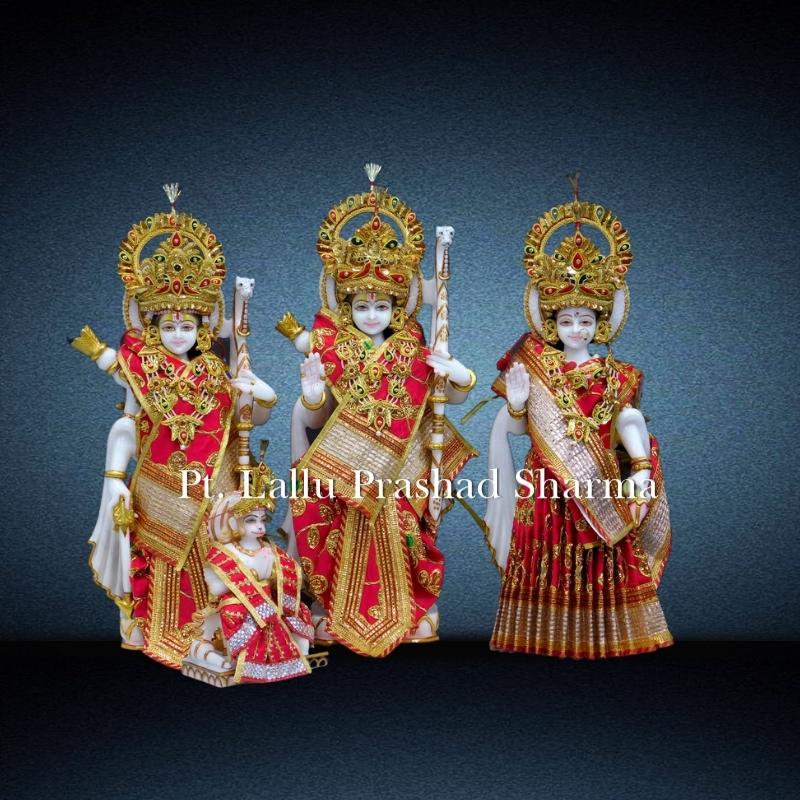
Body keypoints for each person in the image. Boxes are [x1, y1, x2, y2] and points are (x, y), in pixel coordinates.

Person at [72, 189, 277, 670]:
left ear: (202, 329)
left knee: (215, 555)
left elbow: (248, 419)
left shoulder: (216, 371)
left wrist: (260, 393)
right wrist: (114, 479)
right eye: (168, 327)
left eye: (187, 327)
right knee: (160, 556)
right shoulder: (139, 370)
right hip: (158, 484)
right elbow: (127, 424)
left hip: (214, 482)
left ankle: (219, 635)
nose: (178, 335)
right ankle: (158, 629)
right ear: (153, 328)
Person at [277, 165, 477, 657]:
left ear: (397, 307)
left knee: (406, 534)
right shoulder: (332, 348)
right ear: (346, 307)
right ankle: (331, 611)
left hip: (402, 467)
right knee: (337, 533)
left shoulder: (415, 347)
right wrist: (312, 392)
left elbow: (445, 400)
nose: (372, 316)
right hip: (346, 464)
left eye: (382, 307)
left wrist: (458, 373)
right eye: (362, 307)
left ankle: (411, 611)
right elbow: (317, 415)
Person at [483, 190, 672, 658]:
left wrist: (641, 471)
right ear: (552, 321)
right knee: (547, 557)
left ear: (600, 322)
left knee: (602, 558)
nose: (575, 329)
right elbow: (517, 429)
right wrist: (518, 404)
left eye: (584, 320)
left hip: (599, 485)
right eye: (567, 320)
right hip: (545, 485)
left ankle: (607, 637)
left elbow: (628, 420)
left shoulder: (617, 374)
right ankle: (544, 636)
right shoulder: (532, 368)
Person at [193, 482, 314, 684]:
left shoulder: (269, 549)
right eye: (251, 520)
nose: (259, 526)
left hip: (270, 604)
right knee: (239, 614)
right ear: (233, 524)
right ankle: (243, 659)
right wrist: (247, 586)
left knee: (295, 612)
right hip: (239, 604)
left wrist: (274, 581)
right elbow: (216, 588)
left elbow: (287, 579)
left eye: (262, 520)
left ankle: (289, 653)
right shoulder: (223, 553)